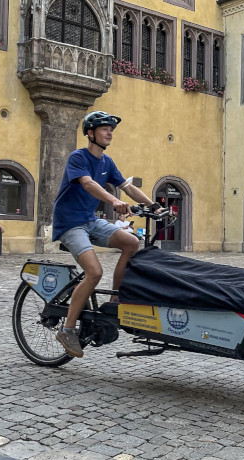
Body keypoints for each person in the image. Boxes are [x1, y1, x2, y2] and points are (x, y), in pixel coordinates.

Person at [52, 110, 161, 358]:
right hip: (70, 223)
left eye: (111, 129)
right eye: (104, 129)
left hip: (90, 221)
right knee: (94, 272)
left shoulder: (107, 162)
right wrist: (114, 201)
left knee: (131, 243)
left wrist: (155, 206)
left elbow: (127, 187)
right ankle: (67, 329)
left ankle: (114, 300)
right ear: (90, 133)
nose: (110, 133)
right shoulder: (78, 157)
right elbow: (88, 183)